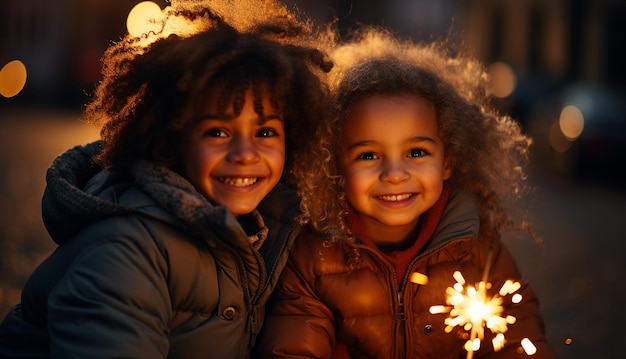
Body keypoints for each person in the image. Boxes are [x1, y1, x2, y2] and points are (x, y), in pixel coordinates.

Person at [0, 0, 333, 358]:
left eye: (266, 132)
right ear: (172, 140)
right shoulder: (125, 253)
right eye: (218, 132)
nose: (245, 154)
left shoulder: (273, 229)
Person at [258, 28, 558, 358]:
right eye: (368, 155)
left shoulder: (478, 248)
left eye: (416, 153)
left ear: (448, 163)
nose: (395, 174)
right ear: (334, 167)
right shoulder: (313, 256)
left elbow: (516, 341)